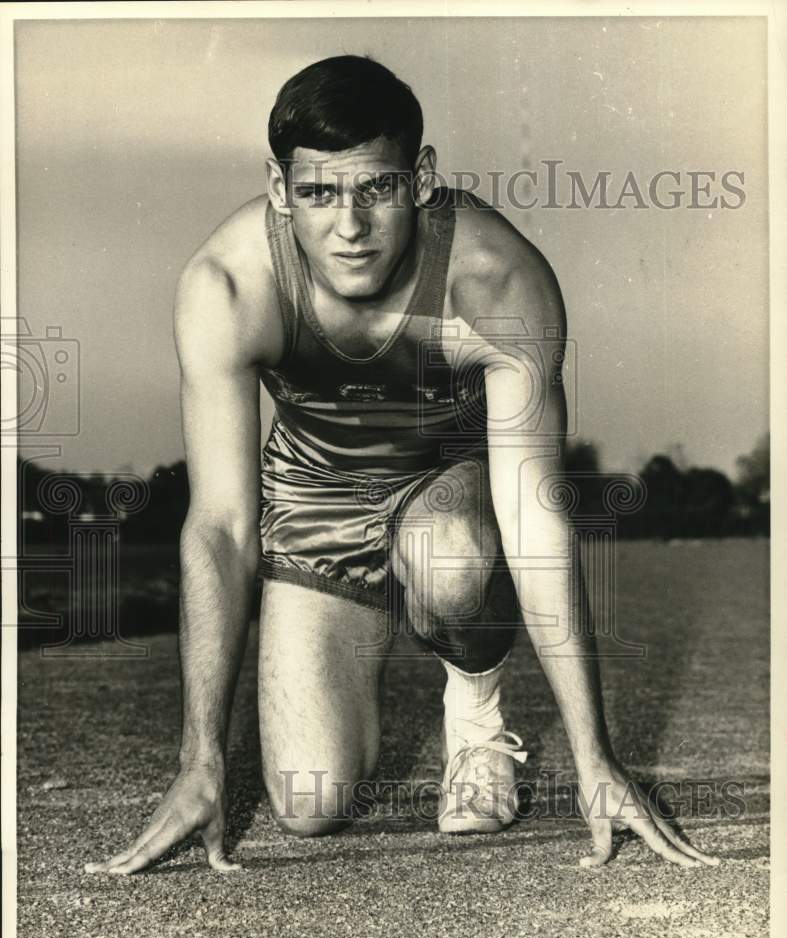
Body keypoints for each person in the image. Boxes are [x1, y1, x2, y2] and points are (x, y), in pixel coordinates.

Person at [86, 55, 718, 875]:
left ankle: (478, 721)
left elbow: (532, 513)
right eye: (317, 194)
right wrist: (199, 759)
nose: (348, 226)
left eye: (375, 189)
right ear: (280, 191)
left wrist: (594, 756)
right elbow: (221, 523)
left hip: (444, 484)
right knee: (308, 806)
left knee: (452, 557)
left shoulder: (493, 279)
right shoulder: (228, 283)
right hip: (314, 495)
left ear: (418, 179)